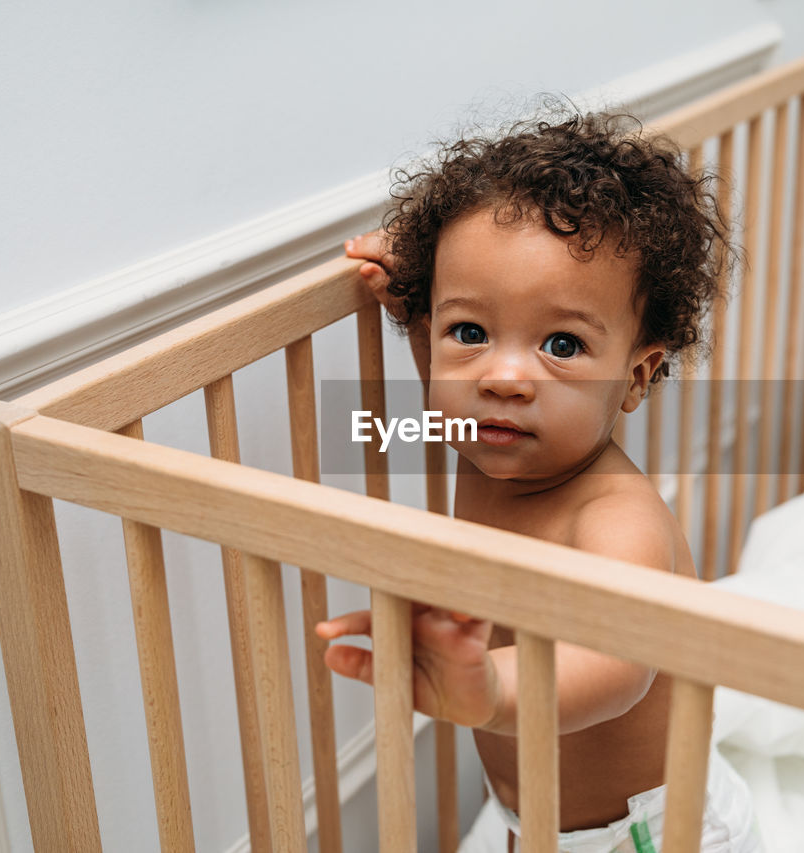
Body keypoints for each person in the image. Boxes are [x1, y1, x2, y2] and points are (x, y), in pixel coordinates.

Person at [316, 99, 764, 852]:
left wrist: (490, 689)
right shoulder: (485, 430)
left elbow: (614, 664)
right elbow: (448, 381)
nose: (505, 376)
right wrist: (411, 301)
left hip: (652, 834)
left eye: (561, 343)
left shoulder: (616, 517)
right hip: (541, 824)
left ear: (635, 376)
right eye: (471, 331)